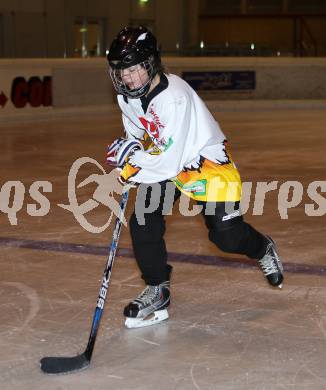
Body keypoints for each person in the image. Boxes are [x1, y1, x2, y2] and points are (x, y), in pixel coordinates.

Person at [106, 26, 284, 328]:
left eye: (135, 68)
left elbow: (167, 164)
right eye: (123, 71)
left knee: (225, 236)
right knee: (143, 220)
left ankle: (262, 247)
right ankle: (157, 288)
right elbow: (138, 132)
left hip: (205, 161)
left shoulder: (173, 97)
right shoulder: (128, 97)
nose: (129, 78)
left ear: (151, 64)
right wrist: (132, 147)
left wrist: (131, 164)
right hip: (169, 157)